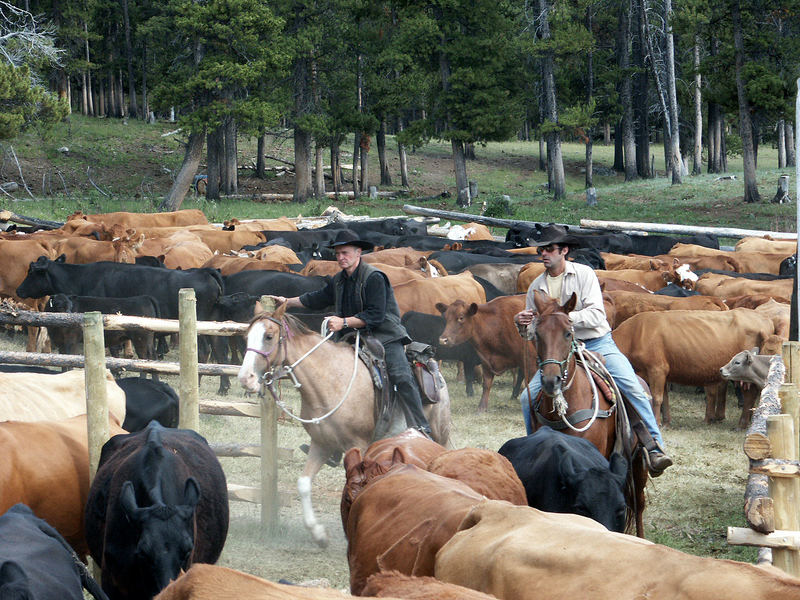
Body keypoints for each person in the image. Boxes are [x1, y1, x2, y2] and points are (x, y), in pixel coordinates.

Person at [514, 224, 673, 476]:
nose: (544, 254)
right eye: (541, 249)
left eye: (549, 249)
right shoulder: (536, 286)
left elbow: (597, 314)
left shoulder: (584, 275)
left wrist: (563, 320)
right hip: (558, 350)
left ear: (564, 250)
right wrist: (523, 324)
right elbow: (535, 331)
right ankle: (532, 450)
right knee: (527, 398)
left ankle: (653, 447)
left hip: (597, 342)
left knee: (632, 386)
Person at [272, 229, 432, 436]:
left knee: (401, 376)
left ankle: (421, 427)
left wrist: (344, 322)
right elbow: (317, 298)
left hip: (385, 335)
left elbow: (376, 315)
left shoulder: (374, 277)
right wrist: (288, 301)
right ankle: (332, 436)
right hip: (353, 336)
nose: (341, 257)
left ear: (358, 253)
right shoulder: (339, 280)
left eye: (345, 253)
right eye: (338, 254)